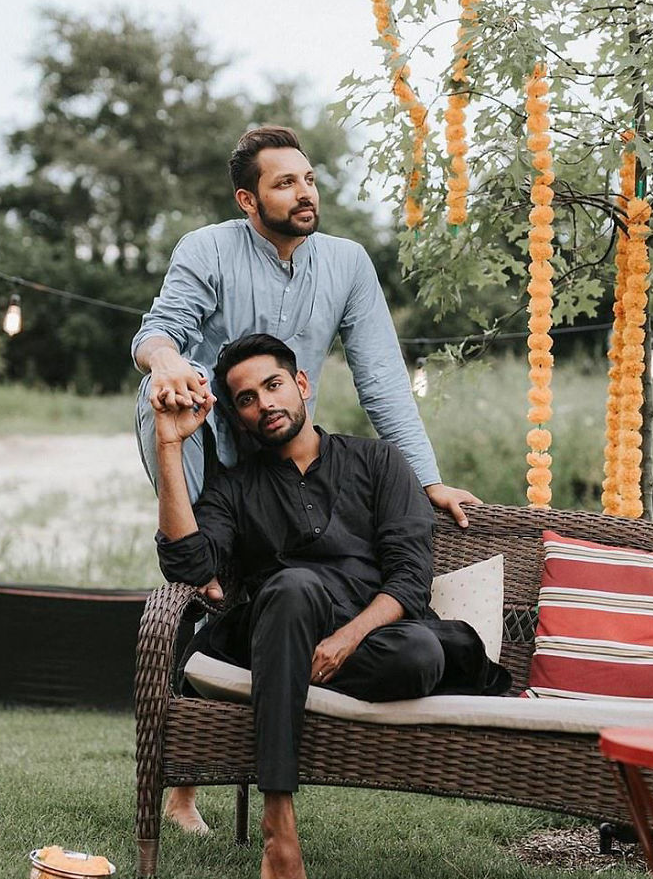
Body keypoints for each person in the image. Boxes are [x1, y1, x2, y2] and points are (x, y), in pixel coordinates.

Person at [132, 124, 481, 834]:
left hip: (289, 456)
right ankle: (184, 786)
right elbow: (157, 329)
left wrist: (429, 478)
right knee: (204, 586)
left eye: (309, 179)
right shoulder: (207, 249)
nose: (304, 192)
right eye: (284, 182)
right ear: (247, 198)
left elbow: (382, 378)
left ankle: (252, 720)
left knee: (284, 603)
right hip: (208, 443)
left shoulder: (348, 263)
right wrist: (166, 365)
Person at [154, 334, 509, 879]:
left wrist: (346, 639)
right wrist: (169, 446)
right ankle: (280, 826)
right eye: (246, 399)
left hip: (367, 628)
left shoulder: (378, 461)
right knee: (292, 587)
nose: (264, 404)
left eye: (272, 386)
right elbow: (189, 562)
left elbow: (410, 580)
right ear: (238, 417)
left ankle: (283, 673)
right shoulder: (235, 488)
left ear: (301, 385)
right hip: (278, 616)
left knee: (418, 658)